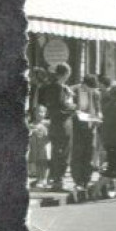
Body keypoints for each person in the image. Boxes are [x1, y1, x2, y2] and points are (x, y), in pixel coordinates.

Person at [36, 63, 75, 191]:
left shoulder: (55, 87)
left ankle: (56, 180)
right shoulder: (57, 88)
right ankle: (58, 181)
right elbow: (61, 106)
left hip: (56, 123)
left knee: (57, 152)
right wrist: (73, 106)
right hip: (62, 124)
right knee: (62, 152)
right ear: (65, 74)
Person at [28, 104, 51, 186]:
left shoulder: (48, 123)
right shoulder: (32, 124)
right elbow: (29, 135)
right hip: (35, 147)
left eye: (42, 112)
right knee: (37, 163)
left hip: (45, 147)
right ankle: (39, 179)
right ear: (34, 113)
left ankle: (45, 179)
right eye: (38, 112)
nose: (40, 114)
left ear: (46, 113)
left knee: (45, 163)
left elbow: (51, 134)